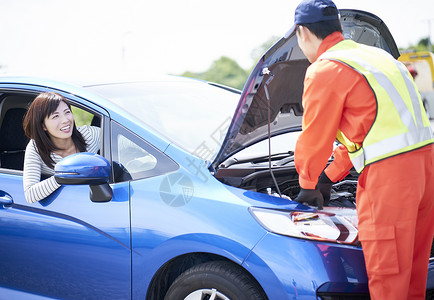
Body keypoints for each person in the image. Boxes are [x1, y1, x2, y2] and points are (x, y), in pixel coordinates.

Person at [289, 0, 434, 299]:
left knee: (388, 275)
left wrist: (308, 184)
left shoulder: (325, 69)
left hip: (390, 179)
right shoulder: (379, 58)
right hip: (426, 169)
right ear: (338, 27)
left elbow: (315, 137)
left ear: (302, 32)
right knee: (412, 278)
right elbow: (374, 130)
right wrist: (329, 176)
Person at [22, 92, 100, 204]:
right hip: (65, 207)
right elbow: (30, 194)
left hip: (96, 201)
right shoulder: (36, 148)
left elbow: (127, 140)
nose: (65, 120)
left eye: (67, 112)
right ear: (43, 125)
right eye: (55, 116)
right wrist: (64, 175)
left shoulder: (89, 135)